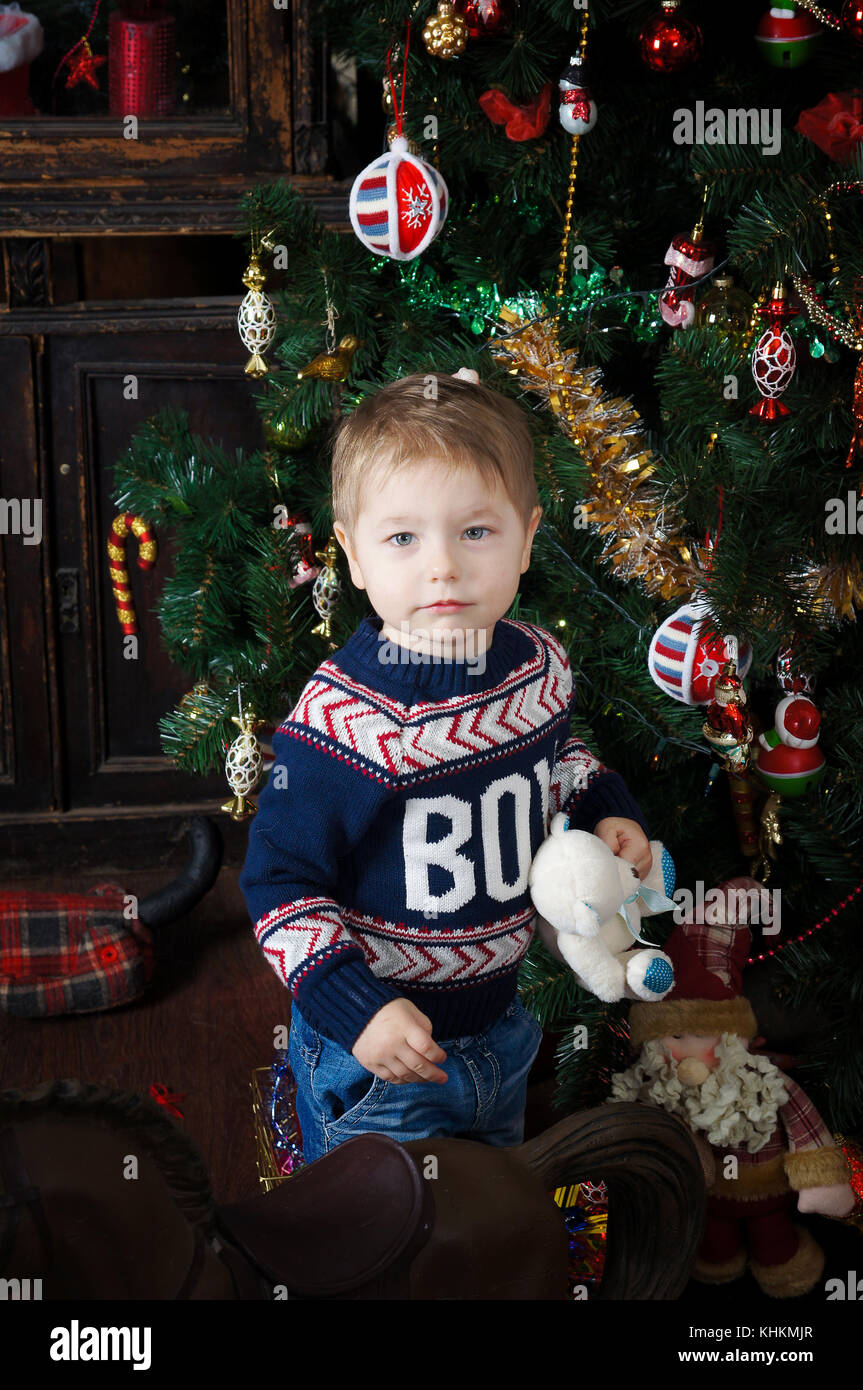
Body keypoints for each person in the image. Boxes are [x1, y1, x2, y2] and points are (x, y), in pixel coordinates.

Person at [240, 368, 653, 1163]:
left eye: (475, 532)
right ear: (352, 555)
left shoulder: (537, 666)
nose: (443, 567)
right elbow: (278, 882)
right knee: (385, 1243)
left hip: (501, 1026)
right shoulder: (346, 721)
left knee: (485, 1219)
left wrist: (607, 807)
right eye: (402, 537)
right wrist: (354, 1009)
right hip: (383, 1054)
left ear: (526, 536)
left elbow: (556, 759)